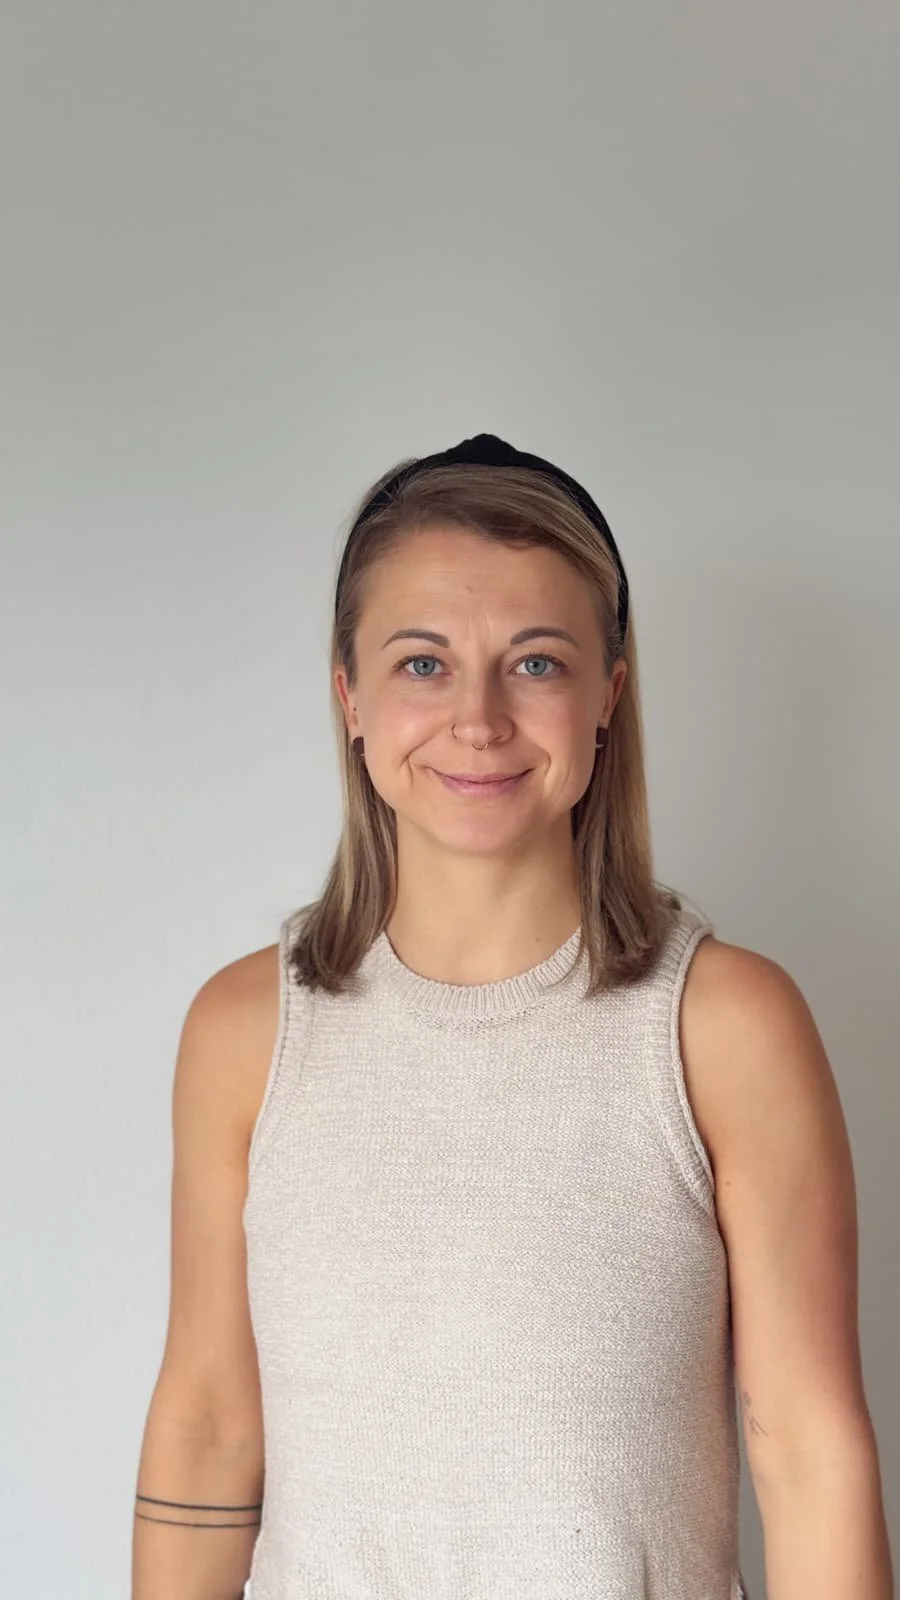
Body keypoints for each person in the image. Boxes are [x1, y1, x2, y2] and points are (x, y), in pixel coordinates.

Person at [132, 433, 891, 1600]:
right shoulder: (244, 1032)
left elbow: (807, 1448)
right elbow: (209, 1425)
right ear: (349, 696)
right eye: (422, 664)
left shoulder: (724, 1025)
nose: (477, 717)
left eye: (535, 663)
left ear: (607, 698)